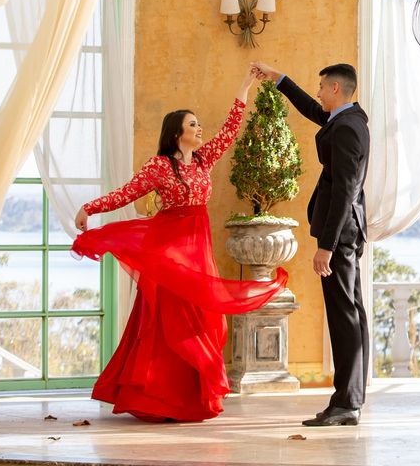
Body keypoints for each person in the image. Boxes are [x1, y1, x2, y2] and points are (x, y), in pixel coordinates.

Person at [72, 65, 286, 423]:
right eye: (192, 125)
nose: (199, 129)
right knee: (167, 323)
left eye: (199, 124)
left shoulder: (204, 159)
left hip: (197, 249)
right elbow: (127, 193)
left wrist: (245, 83)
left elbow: (231, 128)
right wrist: (88, 208)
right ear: (175, 134)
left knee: (201, 320)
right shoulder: (158, 167)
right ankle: (158, 399)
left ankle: (191, 399)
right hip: (169, 251)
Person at [252, 61, 369, 427]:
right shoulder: (348, 119)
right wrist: (280, 79)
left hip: (341, 235)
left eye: (321, 87)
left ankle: (346, 402)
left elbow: (345, 192)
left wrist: (327, 246)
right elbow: (313, 110)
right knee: (351, 314)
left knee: (344, 317)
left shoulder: (348, 128)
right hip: (347, 232)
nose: (318, 93)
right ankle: (350, 399)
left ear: (336, 88)